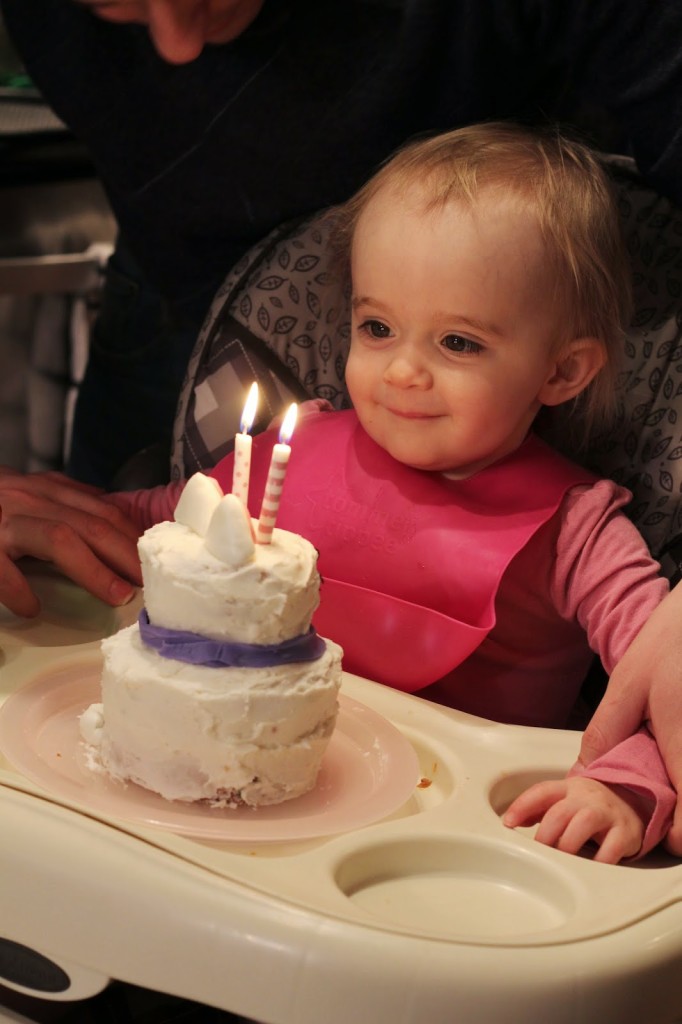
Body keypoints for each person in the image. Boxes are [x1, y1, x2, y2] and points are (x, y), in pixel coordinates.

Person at [2, 0, 682, 853]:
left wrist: (623, 789)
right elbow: (143, 530)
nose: (402, 371)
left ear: (563, 372)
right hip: (251, 803)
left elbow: (660, 684)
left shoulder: (579, 533)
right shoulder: (292, 453)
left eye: (459, 342)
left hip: (449, 839)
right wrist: (48, 538)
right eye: (377, 328)